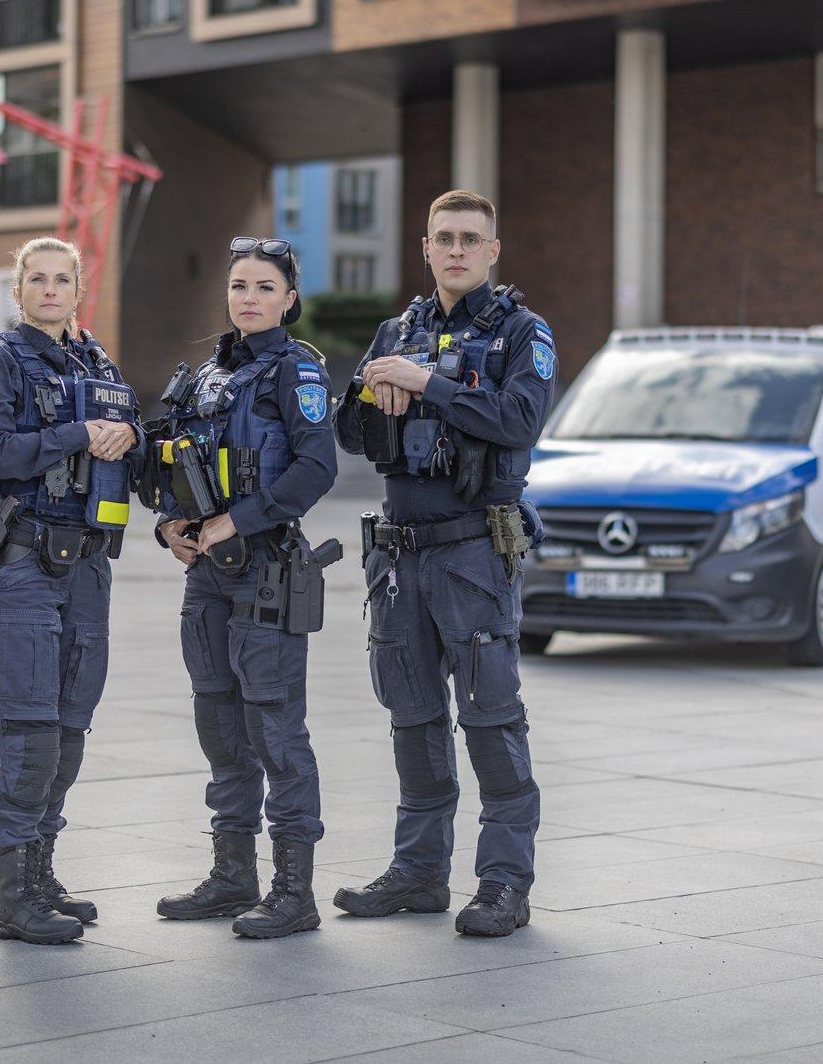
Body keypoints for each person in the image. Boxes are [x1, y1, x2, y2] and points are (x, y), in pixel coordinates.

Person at [331, 189, 556, 938]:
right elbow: (351, 436)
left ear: (493, 251)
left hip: (472, 555)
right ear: (424, 249)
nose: (455, 250)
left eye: (470, 238)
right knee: (413, 719)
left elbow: (521, 419)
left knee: (491, 721)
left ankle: (503, 885)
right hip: (398, 559)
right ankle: (420, 873)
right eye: (443, 238)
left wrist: (428, 384)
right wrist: (372, 391)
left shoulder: (522, 332)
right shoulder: (399, 330)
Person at [147, 238, 338, 939]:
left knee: (277, 734)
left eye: (264, 287)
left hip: (267, 572)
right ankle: (233, 877)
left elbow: (316, 468)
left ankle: (294, 892)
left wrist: (237, 520)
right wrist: (172, 524)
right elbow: (173, 463)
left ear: (290, 299)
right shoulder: (204, 377)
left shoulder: (298, 372)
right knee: (220, 729)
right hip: (207, 577)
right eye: (238, 286)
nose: (249, 298)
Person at [0, 238, 138, 945]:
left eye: (60, 279)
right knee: (31, 730)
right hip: (24, 562)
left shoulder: (97, 361)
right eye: (35, 279)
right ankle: (14, 899)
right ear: (18, 290)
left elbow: (127, 438)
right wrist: (78, 434)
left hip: (89, 563)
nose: (48, 290)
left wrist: (129, 438)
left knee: (69, 730)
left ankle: (40, 874)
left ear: (77, 287)